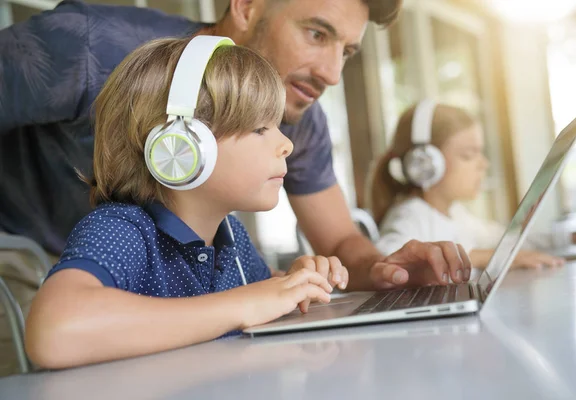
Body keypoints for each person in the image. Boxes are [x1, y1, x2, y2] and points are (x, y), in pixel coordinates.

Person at [0, 0, 470, 295]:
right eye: (317, 34)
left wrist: (388, 269)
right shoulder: (87, 49)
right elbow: (62, 330)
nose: (331, 73)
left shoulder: (297, 113)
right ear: (246, 6)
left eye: (345, 51)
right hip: (22, 254)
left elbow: (341, 243)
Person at [25, 36, 350, 369]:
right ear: (179, 146)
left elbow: (259, 294)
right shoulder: (125, 230)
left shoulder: (230, 235)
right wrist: (243, 304)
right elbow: (54, 331)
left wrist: (294, 282)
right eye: (260, 128)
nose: (287, 146)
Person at [369, 100, 576, 271]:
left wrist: (575, 238)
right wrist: (488, 257)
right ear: (425, 163)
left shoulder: (456, 214)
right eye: (468, 155)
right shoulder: (410, 215)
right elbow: (384, 261)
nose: (483, 164)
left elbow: (506, 239)